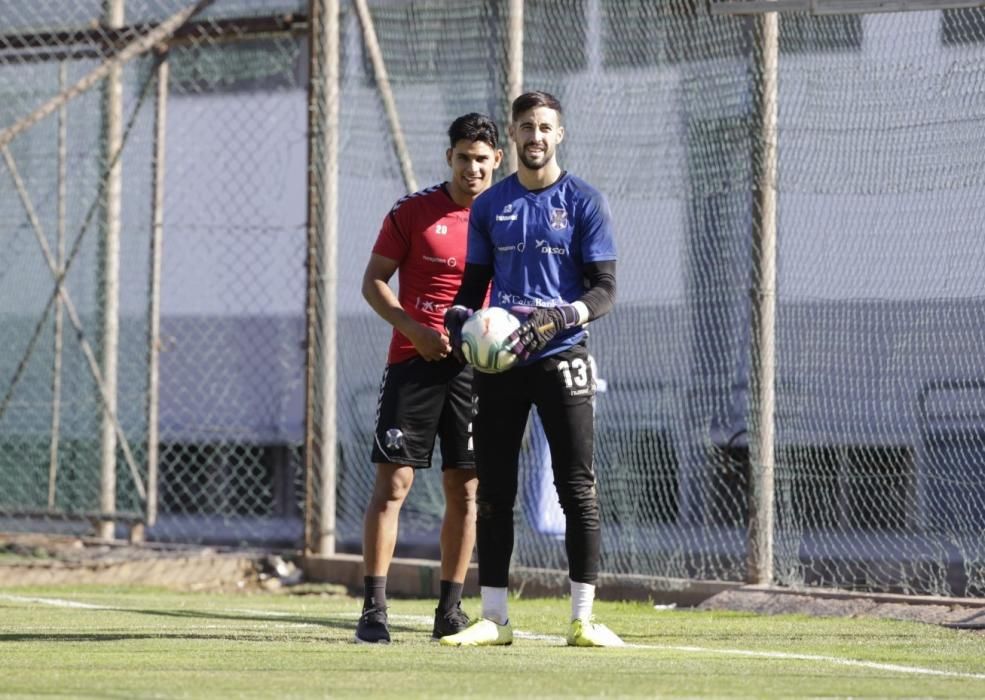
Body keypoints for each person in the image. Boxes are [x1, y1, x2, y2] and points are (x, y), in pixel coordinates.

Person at [441, 91, 622, 647]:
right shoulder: (491, 206)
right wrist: (460, 323)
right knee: (493, 490)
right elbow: (470, 291)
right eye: (526, 127)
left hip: (562, 353)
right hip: (501, 362)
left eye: (545, 127)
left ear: (559, 134)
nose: (535, 136)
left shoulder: (585, 201)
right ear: (512, 138)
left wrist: (557, 318)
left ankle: (582, 619)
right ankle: (494, 619)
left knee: (577, 488)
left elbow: (605, 289)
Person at [355, 113, 503, 644]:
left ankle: (450, 611)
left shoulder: (507, 216)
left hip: (478, 371)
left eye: (482, 160)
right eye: (463, 158)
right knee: (394, 484)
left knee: (466, 490)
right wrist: (413, 329)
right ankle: (373, 608)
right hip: (413, 363)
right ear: (450, 158)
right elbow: (373, 282)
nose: (472, 169)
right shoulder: (414, 211)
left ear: (496, 162)